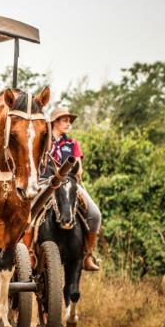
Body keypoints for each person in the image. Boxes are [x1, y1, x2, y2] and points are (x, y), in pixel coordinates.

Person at [43, 107, 101, 271]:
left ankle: (87, 256)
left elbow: (79, 168)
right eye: (65, 120)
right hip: (44, 182)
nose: (69, 124)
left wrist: (74, 167)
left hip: (68, 183)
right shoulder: (43, 139)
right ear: (55, 122)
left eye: (70, 121)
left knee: (95, 214)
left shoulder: (72, 144)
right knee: (26, 210)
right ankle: (27, 251)